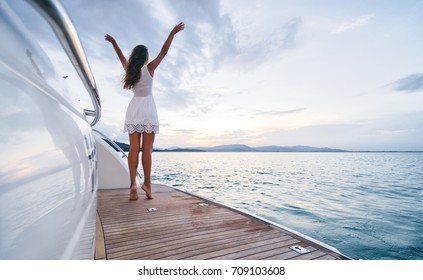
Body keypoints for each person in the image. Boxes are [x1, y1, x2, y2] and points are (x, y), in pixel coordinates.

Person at [105, 22, 184, 200]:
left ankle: (132, 184)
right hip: (148, 108)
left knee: (134, 150)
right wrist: (172, 32)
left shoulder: (129, 70)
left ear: (134, 56)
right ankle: (147, 184)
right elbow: (164, 51)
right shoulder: (150, 69)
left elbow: (120, 57)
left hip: (134, 108)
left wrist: (114, 43)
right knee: (147, 150)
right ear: (145, 56)